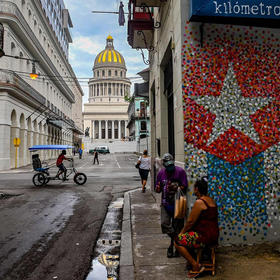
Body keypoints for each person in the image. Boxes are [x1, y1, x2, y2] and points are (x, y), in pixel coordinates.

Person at [174, 177, 219, 278]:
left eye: (194, 188)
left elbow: (190, 222)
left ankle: (196, 266)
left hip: (204, 236)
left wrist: (181, 233)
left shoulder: (200, 202)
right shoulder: (211, 201)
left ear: (197, 189)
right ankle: (193, 262)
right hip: (213, 235)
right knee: (187, 237)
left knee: (177, 241)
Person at [155, 153, 188, 258]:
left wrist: (175, 186)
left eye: (171, 165)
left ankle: (172, 247)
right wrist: (158, 188)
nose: (170, 167)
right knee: (165, 224)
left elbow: (184, 186)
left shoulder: (180, 172)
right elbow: (157, 188)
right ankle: (177, 240)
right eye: (168, 165)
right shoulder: (161, 174)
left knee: (177, 227)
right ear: (164, 165)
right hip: (165, 204)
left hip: (177, 203)